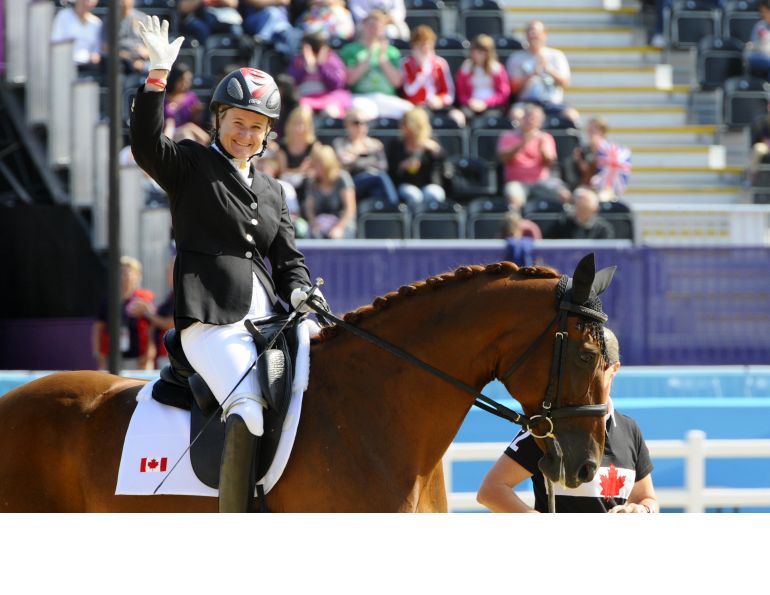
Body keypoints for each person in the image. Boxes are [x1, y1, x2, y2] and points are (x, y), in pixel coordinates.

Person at [132, 16, 328, 512]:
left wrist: (303, 289)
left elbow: (288, 258)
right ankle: (238, 519)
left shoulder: (272, 190)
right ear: (219, 120)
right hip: (212, 319)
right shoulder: (192, 165)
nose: (245, 134)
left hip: (271, 323)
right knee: (247, 406)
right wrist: (157, 76)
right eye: (238, 122)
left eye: (256, 127)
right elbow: (146, 145)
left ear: (267, 135)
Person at [477, 327, 659, 514]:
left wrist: (642, 510)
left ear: (614, 370)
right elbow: (491, 490)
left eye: (593, 368)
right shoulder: (548, 427)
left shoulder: (630, 429)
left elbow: (647, 498)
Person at [340, 10, 414, 120]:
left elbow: (397, 82)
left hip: (387, 98)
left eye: (378, 26)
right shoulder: (351, 50)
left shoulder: (392, 52)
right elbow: (350, 80)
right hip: (361, 97)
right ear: (363, 26)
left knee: (411, 113)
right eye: (371, 25)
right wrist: (368, 56)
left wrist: (383, 59)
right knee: (360, 115)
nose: (374, 29)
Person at [506, 20, 578, 126]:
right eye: (530, 32)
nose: (533, 36)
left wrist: (548, 69)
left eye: (536, 32)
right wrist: (531, 74)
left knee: (572, 115)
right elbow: (513, 88)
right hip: (527, 103)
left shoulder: (556, 56)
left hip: (553, 103)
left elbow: (565, 83)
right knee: (516, 114)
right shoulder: (517, 58)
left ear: (544, 35)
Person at [92, 256, 156, 371]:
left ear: (137, 276)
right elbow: (98, 328)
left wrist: (148, 354)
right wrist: (98, 354)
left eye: (129, 273)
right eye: (121, 273)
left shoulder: (144, 299)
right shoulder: (108, 300)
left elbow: (153, 328)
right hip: (111, 357)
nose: (125, 277)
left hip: (138, 358)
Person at [332, 107, 399, 204]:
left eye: (364, 122)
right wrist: (368, 159)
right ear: (347, 125)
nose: (360, 126)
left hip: (374, 182)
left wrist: (356, 158)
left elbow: (383, 166)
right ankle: (395, 207)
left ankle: (383, 214)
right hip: (352, 183)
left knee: (377, 190)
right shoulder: (340, 143)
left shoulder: (375, 144)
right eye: (356, 122)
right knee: (379, 177)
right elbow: (344, 166)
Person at [400, 25, 464, 126]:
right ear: (414, 46)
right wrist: (421, 69)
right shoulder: (406, 64)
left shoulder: (440, 63)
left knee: (457, 116)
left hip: (437, 105)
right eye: (421, 44)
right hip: (417, 107)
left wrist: (439, 100)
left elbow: (449, 93)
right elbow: (410, 91)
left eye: (428, 44)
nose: (425, 48)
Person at [386, 106, 448, 210]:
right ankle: (412, 224)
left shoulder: (431, 141)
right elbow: (391, 170)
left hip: (428, 183)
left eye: (405, 123)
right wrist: (402, 166)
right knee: (414, 195)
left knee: (434, 193)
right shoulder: (397, 143)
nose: (401, 126)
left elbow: (442, 165)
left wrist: (435, 150)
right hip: (406, 183)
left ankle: (429, 222)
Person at [287, 31, 352, 119]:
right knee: (302, 113)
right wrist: (306, 67)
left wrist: (321, 65)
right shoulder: (298, 61)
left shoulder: (332, 60)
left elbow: (337, 84)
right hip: (305, 98)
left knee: (331, 112)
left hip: (329, 98)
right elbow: (291, 82)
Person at [496, 103, 557, 194]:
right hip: (516, 182)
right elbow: (502, 158)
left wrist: (543, 151)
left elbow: (550, 163)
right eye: (528, 116)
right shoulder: (507, 136)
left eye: (535, 118)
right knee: (513, 195)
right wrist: (522, 143)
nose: (530, 120)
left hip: (541, 182)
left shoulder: (545, 138)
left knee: (563, 194)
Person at [303, 144, 357, 239]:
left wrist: (339, 227)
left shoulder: (342, 178)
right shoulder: (312, 182)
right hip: (320, 223)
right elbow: (309, 208)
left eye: (318, 163)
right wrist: (313, 224)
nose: (315, 166)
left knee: (337, 238)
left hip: (343, 223)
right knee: (313, 235)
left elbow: (350, 209)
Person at [454, 34, 511, 121]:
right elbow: (461, 92)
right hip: (471, 105)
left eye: (481, 51)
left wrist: (485, 103)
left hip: (493, 106)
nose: (476, 54)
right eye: (475, 50)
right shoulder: (466, 67)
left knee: (489, 119)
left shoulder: (497, 69)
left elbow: (503, 93)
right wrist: (469, 101)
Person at [276, 105, 320, 203]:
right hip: (288, 183)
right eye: (295, 123)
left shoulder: (313, 146)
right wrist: (300, 170)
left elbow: (316, 169)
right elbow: (282, 171)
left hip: (307, 187)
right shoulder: (283, 146)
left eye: (302, 124)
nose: (298, 128)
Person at [50, 0, 103, 75]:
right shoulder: (63, 16)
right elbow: (56, 42)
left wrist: (94, 57)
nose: (86, 3)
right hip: (65, 67)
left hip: (88, 69)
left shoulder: (96, 23)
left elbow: (96, 51)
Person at [163, 62, 209, 143]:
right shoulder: (163, 97)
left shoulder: (191, 97)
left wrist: (196, 114)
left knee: (189, 132)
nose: (186, 83)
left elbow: (196, 122)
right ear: (174, 79)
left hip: (186, 133)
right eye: (182, 80)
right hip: (166, 134)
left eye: (188, 80)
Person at [549, 187, 615, 240]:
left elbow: (605, 252)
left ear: (595, 209)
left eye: (585, 208)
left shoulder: (603, 228)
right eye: (578, 206)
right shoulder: (563, 223)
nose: (581, 211)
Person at [104, 0, 149, 75]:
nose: (124, 2)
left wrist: (146, 51)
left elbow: (150, 44)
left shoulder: (142, 18)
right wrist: (126, 56)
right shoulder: (110, 19)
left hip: (141, 60)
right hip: (120, 61)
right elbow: (105, 47)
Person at [746, 0, 770, 80]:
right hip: (761, 57)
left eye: (766, 12)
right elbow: (754, 46)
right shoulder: (760, 26)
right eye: (762, 12)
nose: (763, 14)